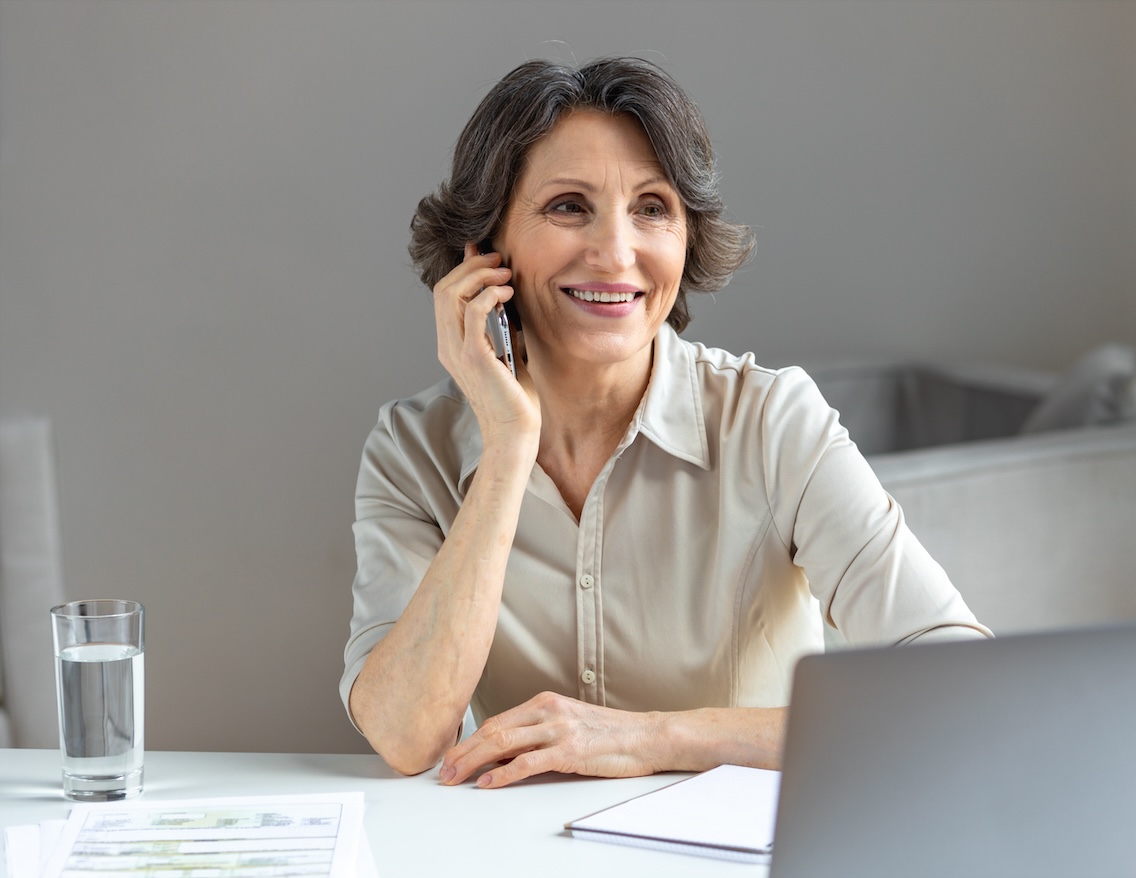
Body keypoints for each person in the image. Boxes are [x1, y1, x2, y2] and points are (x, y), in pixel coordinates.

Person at [341, 57, 989, 787]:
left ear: (686, 238)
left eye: (652, 208)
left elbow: (961, 688)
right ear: (487, 245)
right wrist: (506, 450)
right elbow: (404, 735)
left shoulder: (772, 423)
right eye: (567, 206)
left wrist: (658, 738)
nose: (616, 253)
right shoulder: (411, 449)